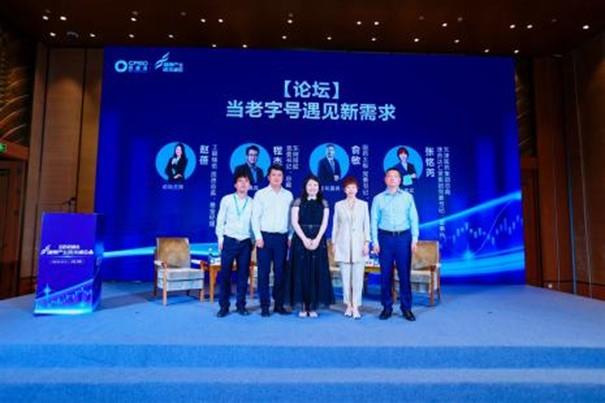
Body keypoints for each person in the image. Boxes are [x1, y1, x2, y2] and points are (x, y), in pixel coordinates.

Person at [371, 168, 419, 321]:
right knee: (385, 275)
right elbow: (374, 221)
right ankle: (386, 307)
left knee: (404, 275)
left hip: (403, 238)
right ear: (385, 179)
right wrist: (375, 241)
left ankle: (406, 308)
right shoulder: (378, 198)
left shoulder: (408, 197)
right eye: (389, 176)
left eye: (395, 176)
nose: (392, 179)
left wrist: (414, 238)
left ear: (400, 180)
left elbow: (414, 218)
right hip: (384, 238)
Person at [288, 174, 334, 318]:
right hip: (300, 239)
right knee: (301, 272)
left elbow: (325, 224)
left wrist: (317, 239)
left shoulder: (324, 203)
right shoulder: (297, 201)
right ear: (305, 187)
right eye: (309, 185)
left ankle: (313, 306)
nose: (312, 187)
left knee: (316, 272)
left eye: (315, 185)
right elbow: (294, 222)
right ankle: (303, 306)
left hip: (318, 239)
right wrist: (304, 239)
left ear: (319, 187)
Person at [252, 164, 293, 317]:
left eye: (279, 175)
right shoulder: (261, 194)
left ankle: (279, 305)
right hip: (264, 238)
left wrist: (290, 236)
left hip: (282, 239)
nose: (276, 178)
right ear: (268, 177)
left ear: (283, 178)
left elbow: (291, 219)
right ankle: (264, 305)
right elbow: (255, 217)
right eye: (274, 175)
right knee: (263, 273)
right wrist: (258, 237)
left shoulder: (288, 195)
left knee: (280, 273)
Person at [215, 171, 254, 317]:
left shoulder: (253, 203)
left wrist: (253, 240)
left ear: (250, 185)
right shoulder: (227, 200)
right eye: (240, 181)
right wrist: (220, 238)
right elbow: (220, 220)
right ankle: (224, 307)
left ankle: (241, 306)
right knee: (225, 275)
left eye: (246, 181)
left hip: (245, 242)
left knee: (243, 276)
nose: (243, 184)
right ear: (235, 185)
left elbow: (255, 223)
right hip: (229, 241)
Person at [331, 176, 370, 319]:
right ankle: (348, 305)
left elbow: (367, 225)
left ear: (357, 189)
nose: (351, 190)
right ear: (344, 190)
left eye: (353, 187)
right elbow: (336, 225)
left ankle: (356, 306)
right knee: (345, 278)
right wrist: (334, 243)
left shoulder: (363, 205)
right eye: (348, 188)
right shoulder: (338, 205)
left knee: (358, 279)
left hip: (359, 245)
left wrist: (367, 243)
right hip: (343, 244)